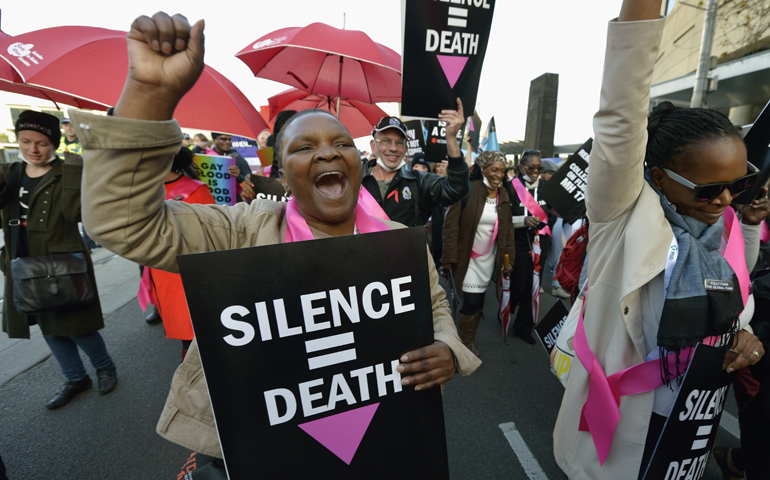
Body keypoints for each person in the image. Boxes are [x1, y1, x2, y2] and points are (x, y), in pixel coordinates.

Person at [71, 12, 480, 460]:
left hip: (378, 437)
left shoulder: (399, 240)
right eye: (305, 148)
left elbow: (435, 304)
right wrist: (149, 96)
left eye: (342, 144)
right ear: (283, 176)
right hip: (266, 445)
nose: (327, 150)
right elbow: (124, 222)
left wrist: (448, 347)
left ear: (358, 164)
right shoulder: (242, 230)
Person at [552, 2, 768, 478]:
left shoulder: (726, 226)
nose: (726, 198)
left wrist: (743, 339)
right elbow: (619, 117)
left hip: (691, 420)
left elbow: (736, 300)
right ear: (657, 176)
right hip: (619, 425)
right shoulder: (621, 216)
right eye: (709, 188)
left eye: (739, 182)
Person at [0, 111, 117, 409]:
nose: (33, 149)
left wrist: (80, 172)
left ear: (55, 142)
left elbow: (76, 214)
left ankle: (104, 367)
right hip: (21, 259)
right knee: (45, 321)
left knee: (76, 322)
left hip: (63, 260)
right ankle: (76, 377)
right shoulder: (7, 172)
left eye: (41, 142)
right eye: (25, 141)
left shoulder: (71, 170)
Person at [143, 147, 216, 360]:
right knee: (183, 327)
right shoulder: (144, 191)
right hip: (162, 270)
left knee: (199, 327)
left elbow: (212, 232)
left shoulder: (197, 190)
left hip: (193, 269)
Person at [441, 151, 516, 356]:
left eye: (502, 170)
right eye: (494, 170)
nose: (499, 175)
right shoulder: (467, 190)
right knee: (471, 301)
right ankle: (466, 342)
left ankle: (468, 336)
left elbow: (507, 229)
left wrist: (509, 258)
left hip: (489, 258)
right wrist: (448, 258)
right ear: (483, 169)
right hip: (468, 257)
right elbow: (450, 226)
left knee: (480, 300)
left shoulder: (504, 194)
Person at [361, 112, 469, 227]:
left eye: (399, 143)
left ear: (405, 149)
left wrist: (451, 138)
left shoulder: (419, 182)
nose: (393, 148)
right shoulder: (356, 181)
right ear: (373, 146)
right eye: (386, 141)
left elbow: (456, 189)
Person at [507, 150, 552, 344]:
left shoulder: (547, 188)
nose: (535, 171)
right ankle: (509, 305)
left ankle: (523, 328)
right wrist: (522, 220)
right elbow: (501, 218)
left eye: (539, 167)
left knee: (532, 287)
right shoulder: (510, 188)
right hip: (518, 242)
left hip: (540, 244)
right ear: (521, 168)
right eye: (531, 167)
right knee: (518, 286)